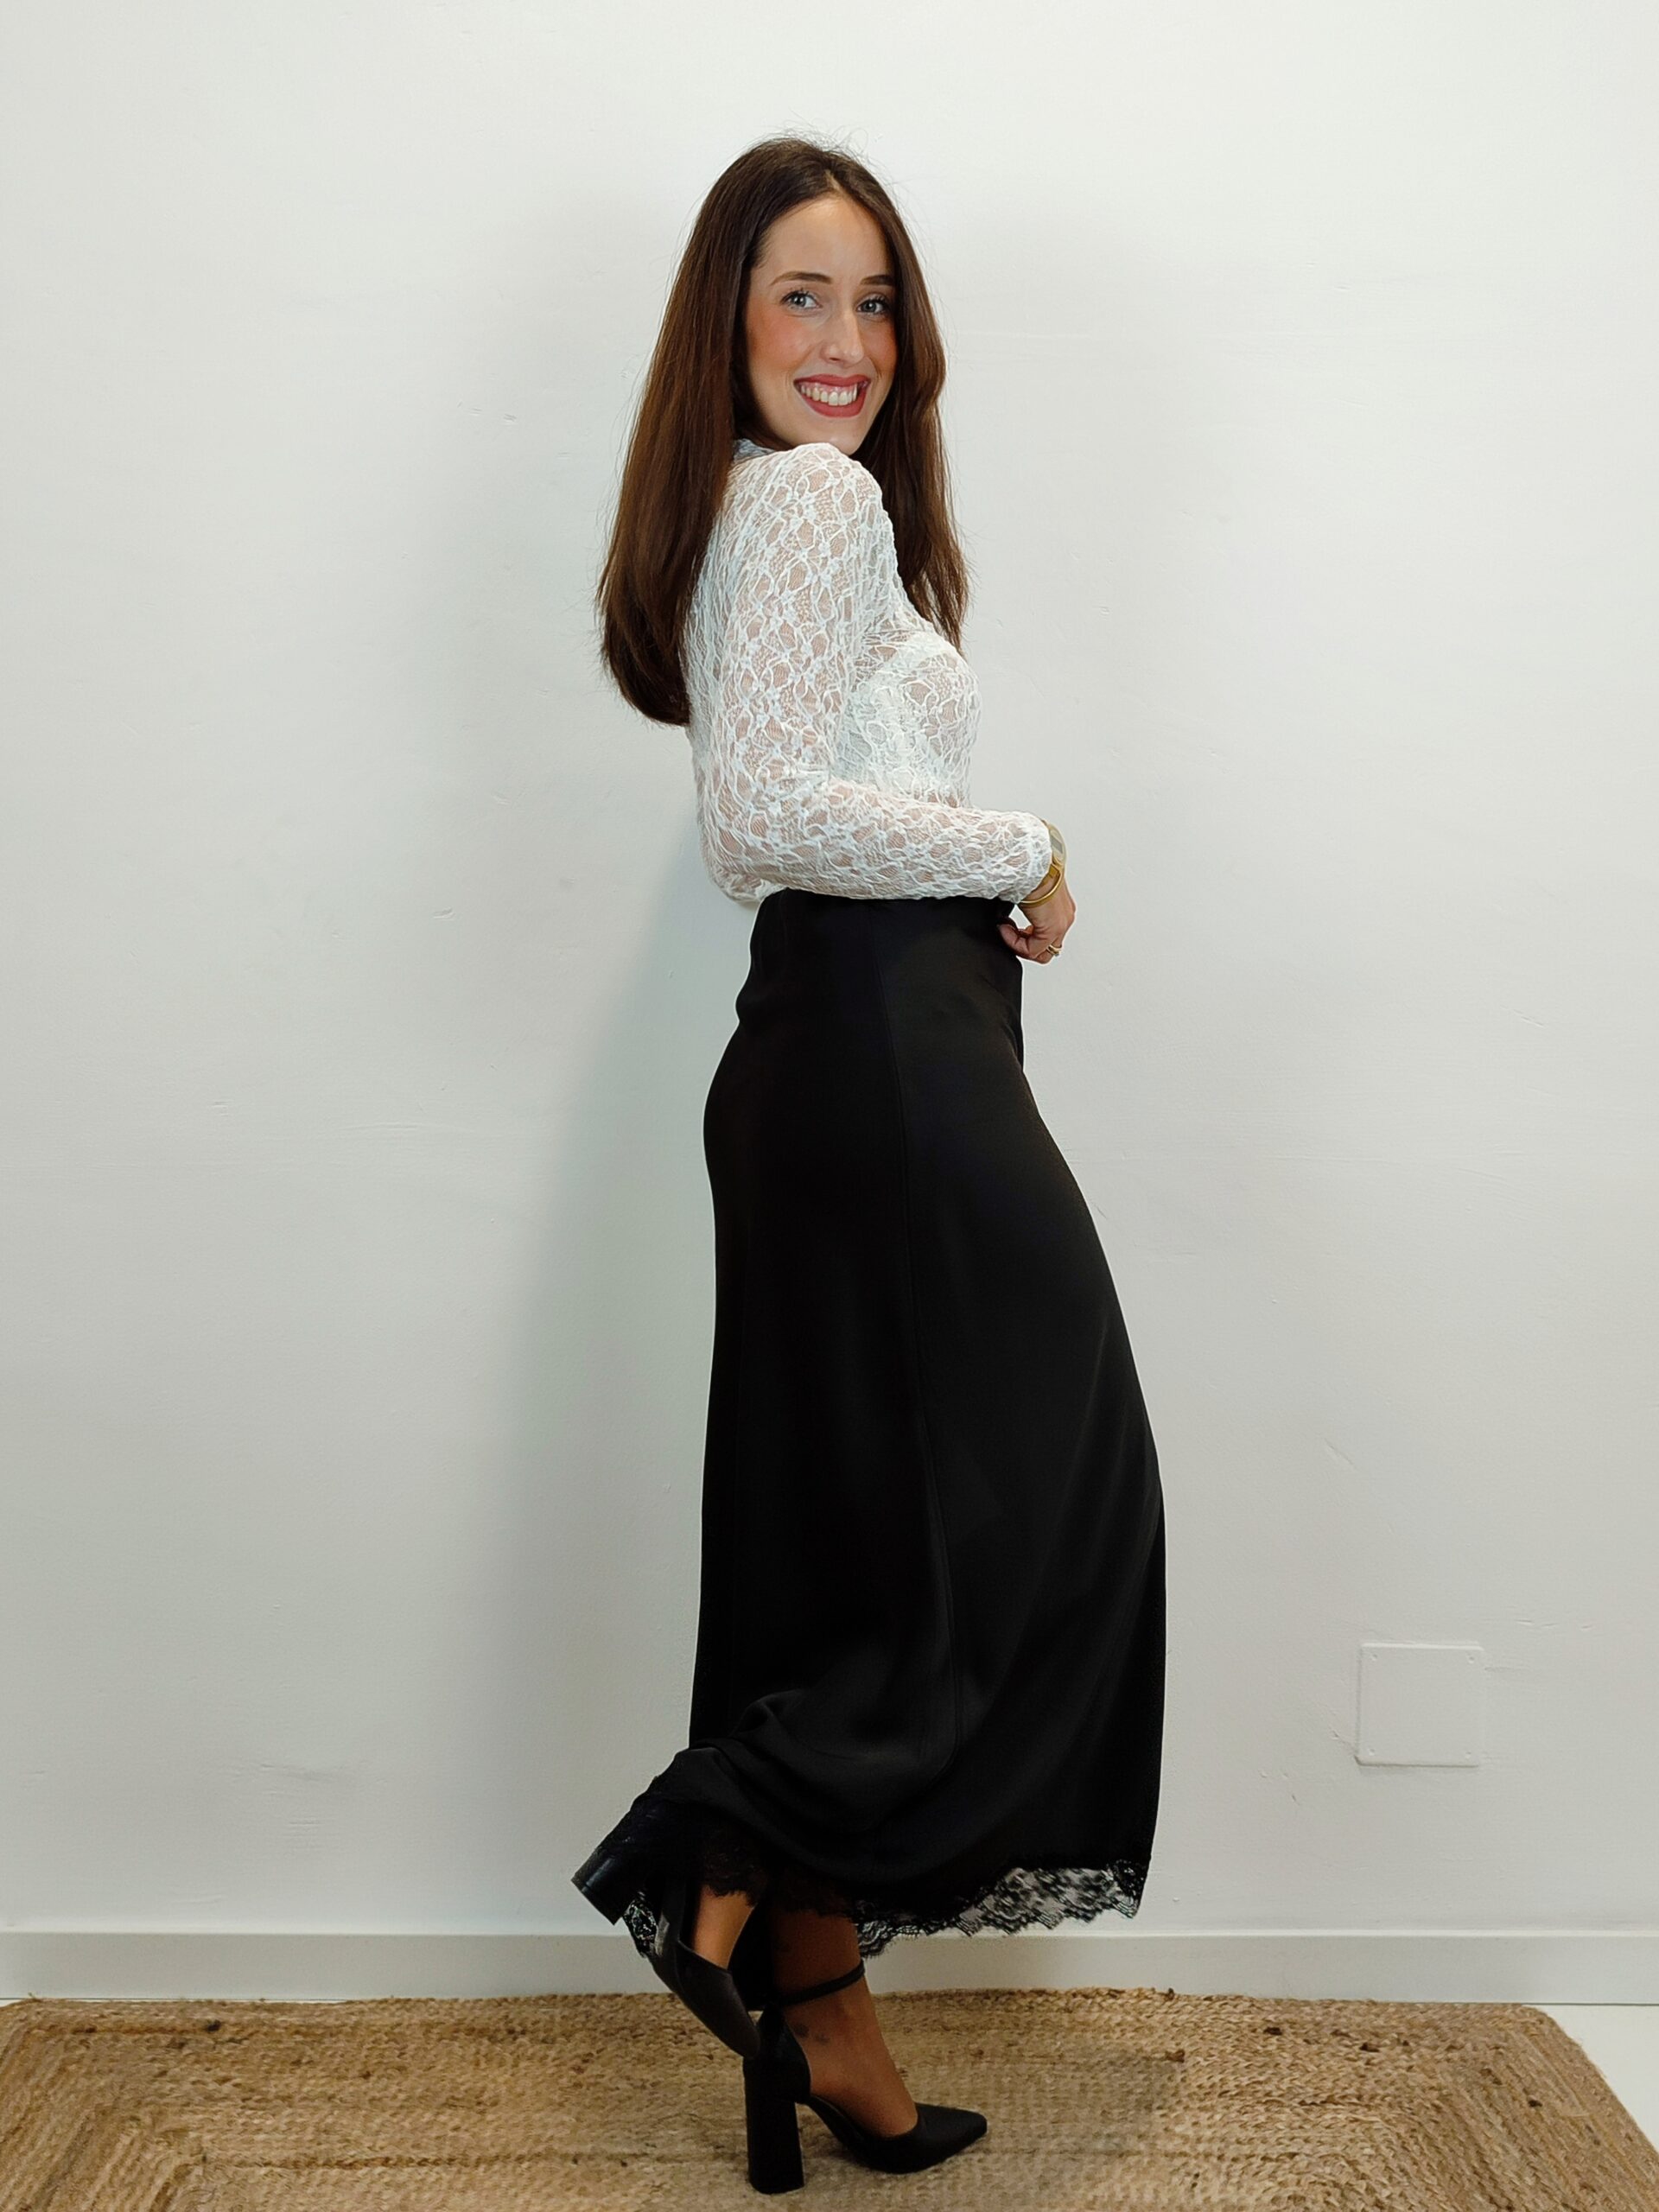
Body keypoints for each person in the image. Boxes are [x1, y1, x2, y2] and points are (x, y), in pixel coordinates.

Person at [573, 135, 1166, 2192]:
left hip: (850, 1053)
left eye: (877, 300)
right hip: (884, 1048)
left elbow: (781, 797)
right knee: (1045, 1491)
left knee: (849, 1535)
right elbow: (759, 817)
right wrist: (1026, 842)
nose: (846, 340)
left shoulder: (789, 510)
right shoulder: (810, 499)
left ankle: (820, 2010)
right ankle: (723, 1854)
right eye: (801, 297)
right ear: (727, 325)